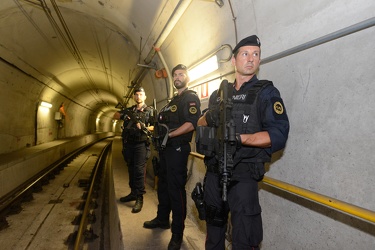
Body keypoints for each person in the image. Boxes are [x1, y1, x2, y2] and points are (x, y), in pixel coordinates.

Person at [197, 35, 290, 249]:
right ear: (234, 60)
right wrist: (210, 116)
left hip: (243, 178)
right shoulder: (218, 95)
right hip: (214, 174)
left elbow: (278, 134)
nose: (251, 59)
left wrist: (240, 138)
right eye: (245, 54)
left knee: (244, 241)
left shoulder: (266, 93)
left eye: (256, 54)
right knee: (213, 238)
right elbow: (200, 124)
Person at [143, 64, 201, 250]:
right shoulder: (172, 101)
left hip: (177, 149)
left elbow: (192, 123)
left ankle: (177, 233)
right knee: (164, 187)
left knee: (176, 191)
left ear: (187, 77)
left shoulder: (190, 98)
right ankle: (162, 219)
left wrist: (170, 135)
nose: (177, 77)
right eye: (175, 75)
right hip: (165, 150)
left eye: (181, 74)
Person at [113, 87, 154, 213]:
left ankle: (139, 197)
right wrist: (125, 116)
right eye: (136, 95)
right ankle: (133, 193)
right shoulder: (129, 110)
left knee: (139, 170)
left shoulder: (150, 111)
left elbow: (155, 126)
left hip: (141, 144)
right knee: (131, 168)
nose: (138, 97)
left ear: (145, 96)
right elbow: (115, 115)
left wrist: (143, 126)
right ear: (134, 97)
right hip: (129, 144)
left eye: (140, 94)